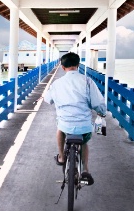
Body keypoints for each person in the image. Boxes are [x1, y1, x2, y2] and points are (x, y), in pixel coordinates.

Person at [44, 52, 106, 185]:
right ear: (78, 65)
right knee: (84, 142)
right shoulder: (87, 81)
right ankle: (85, 169)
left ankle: (61, 157)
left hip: (65, 124)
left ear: (62, 66)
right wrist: (102, 113)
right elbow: (97, 103)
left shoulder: (57, 83)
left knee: (60, 129)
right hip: (84, 125)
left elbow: (48, 100)